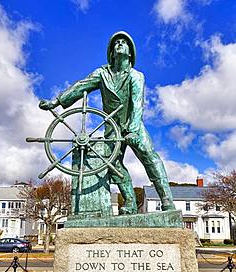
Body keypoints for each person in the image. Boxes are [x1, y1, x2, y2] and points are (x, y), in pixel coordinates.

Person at [39, 31, 175, 214]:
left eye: (123, 43)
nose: (119, 44)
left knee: (150, 158)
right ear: (111, 53)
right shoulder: (102, 74)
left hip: (133, 124)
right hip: (112, 128)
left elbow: (137, 105)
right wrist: (56, 101)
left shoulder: (136, 76)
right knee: (111, 164)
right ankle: (130, 202)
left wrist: (133, 130)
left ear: (130, 53)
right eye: (116, 43)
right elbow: (81, 86)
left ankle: (167, 201)